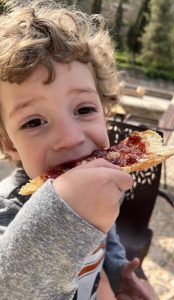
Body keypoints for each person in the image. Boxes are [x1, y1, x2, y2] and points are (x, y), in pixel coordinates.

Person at [0, 1, 152, 299]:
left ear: (105, 114)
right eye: (34, 122)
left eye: (84, 109)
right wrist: (64, 213)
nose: (69, 138)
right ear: (9, 144)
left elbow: (106, 234)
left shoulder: (101, 184)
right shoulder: (9, 212)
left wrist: (115, 270)